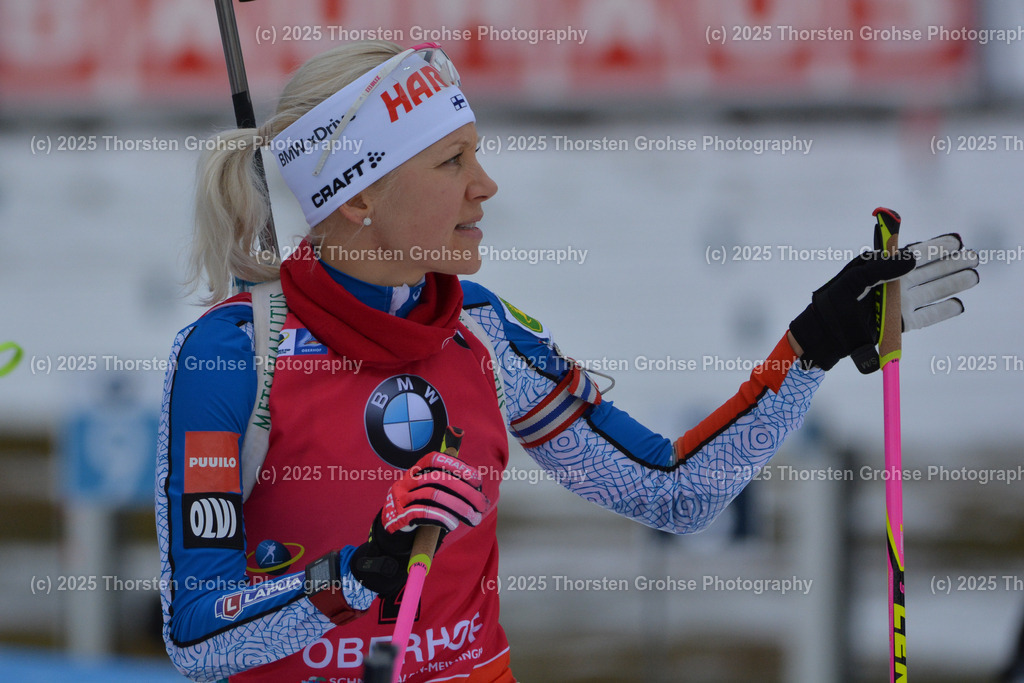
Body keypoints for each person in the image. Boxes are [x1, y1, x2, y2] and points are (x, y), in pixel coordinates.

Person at [155, 40, 979, 683]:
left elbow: (672, 491)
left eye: (476, 153)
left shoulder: (482, 335)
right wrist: (348, 577)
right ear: (359, 196)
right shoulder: (235, 356)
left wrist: (809, 347)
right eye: (451, 162)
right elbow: (196, 627)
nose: (486, 186)